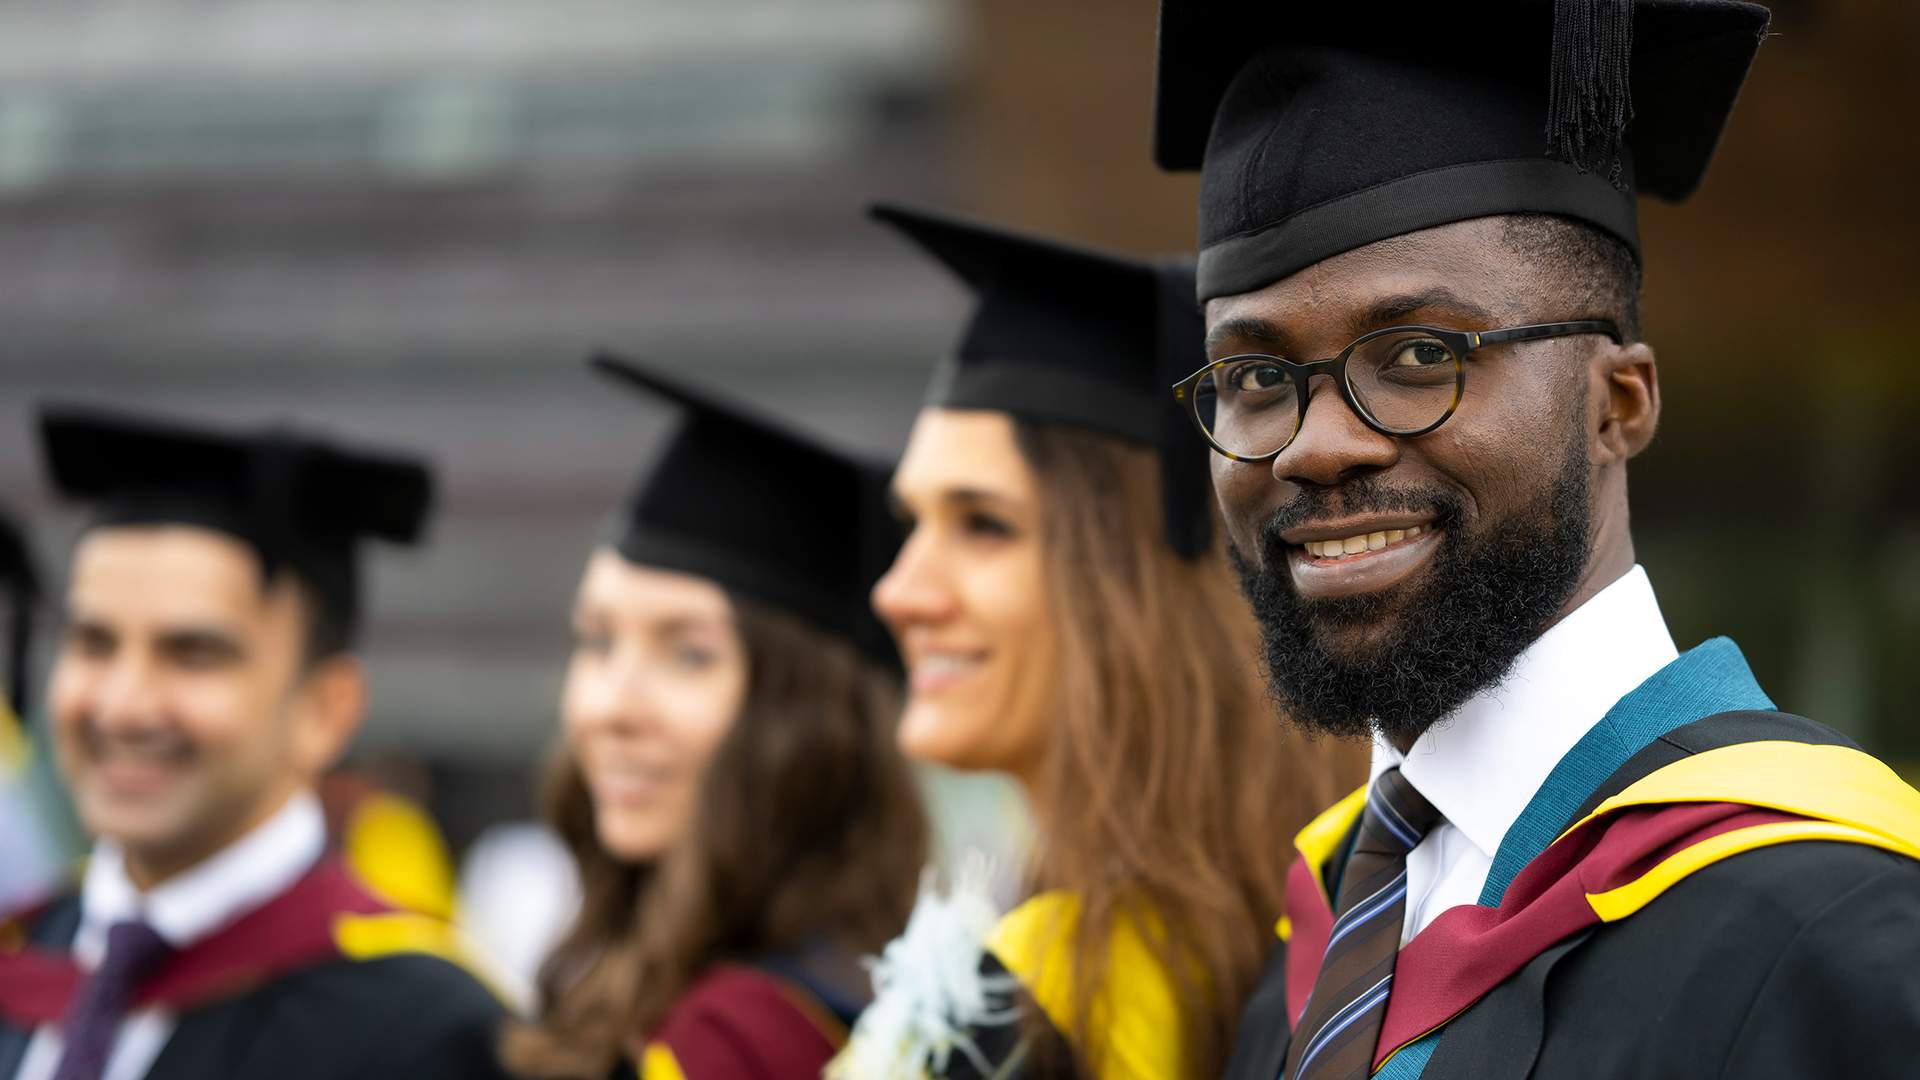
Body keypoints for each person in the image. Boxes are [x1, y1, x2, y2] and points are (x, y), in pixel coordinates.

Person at [1150, 2, 1920, 1077]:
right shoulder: (1310, 962)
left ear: (1619, 404)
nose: (1314, 449)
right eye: (1254, 380)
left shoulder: (1839, 933)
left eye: (1418, 355)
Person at [837, 204, 1362, 1080]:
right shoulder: (1326, 946)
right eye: (912, 525)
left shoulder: (1029, 1011)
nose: (899, 592)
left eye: (982, 526)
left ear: (1137, 588)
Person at [0, 404, 512, 1080]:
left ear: (326, 710)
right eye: (94, 643)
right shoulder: (23, 960)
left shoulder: (429, 1037)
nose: (122, 705)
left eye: (192, 654)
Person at [502, 356, 929, 1080]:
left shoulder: (738, 1041)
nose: (612, 706)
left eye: (688, 655)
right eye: (598, 641)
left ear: (808, 717)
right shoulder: (710, 993)